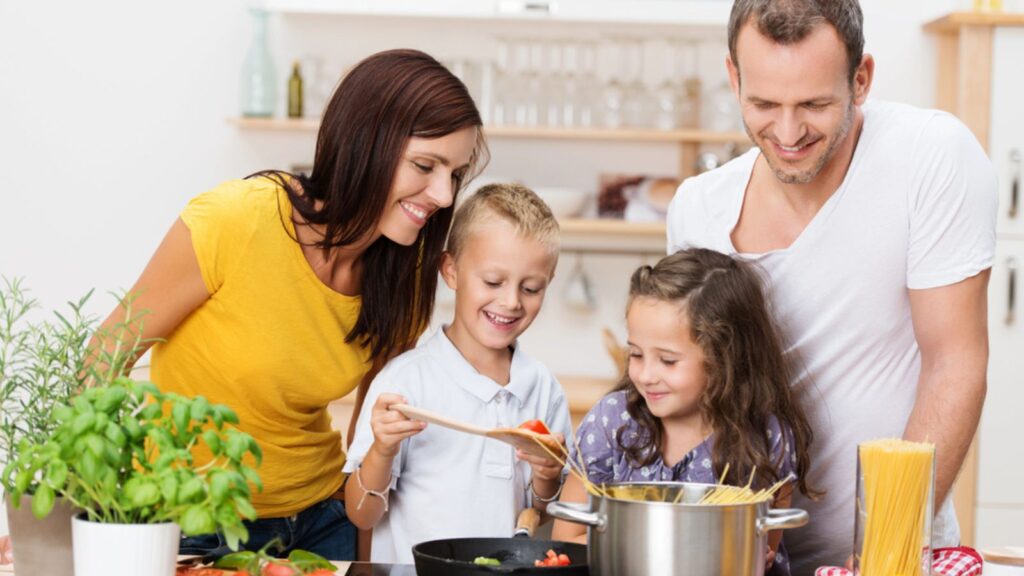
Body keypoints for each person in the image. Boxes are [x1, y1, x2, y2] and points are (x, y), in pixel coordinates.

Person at [48, 49, 484, 561]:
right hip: (196, 526)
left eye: (455, 174)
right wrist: (70, 519)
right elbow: (106, 353)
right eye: (425, 166)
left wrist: (364, 555)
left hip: (323, 520)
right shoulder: (236, 220)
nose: (443, 194)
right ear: (365, 143)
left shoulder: (402, 273)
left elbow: (371, 430)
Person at [666, 1, 997, 573]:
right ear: (733, 77)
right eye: (764, 103)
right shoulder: (697, 208)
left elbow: (955, 363)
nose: (788, 132)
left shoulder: (929, 156)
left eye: (815, 104)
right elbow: (694, 396)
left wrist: (883, 553)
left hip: (895, 555)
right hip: (740, 557)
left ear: (861, 78)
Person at [343, 183, 572, 564]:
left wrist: (548, 475)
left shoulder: (542, 387)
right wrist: (383, 449)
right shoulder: (406, 383)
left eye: (531, 288)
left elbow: (541, 514)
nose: (511, 301)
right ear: (450, 270)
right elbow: (362, 514)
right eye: (493, 282)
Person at [551, 249, 816, 576]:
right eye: (635, 354)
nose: (646, 375)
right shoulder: (613, 420)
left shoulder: (765, 437)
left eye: (667, 360)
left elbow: (764, 551)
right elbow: (566, 538)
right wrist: (656, 553)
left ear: (724, 358)